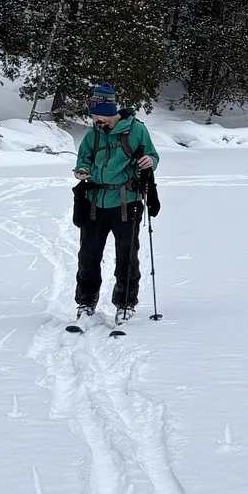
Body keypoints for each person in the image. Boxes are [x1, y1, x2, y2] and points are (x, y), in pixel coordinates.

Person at [71, 83, 158, 327]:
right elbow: (83, 158)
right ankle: (86, 303)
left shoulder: (137, 131)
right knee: (88, 256)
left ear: (110, 111)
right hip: (94, 202)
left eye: (97, 114)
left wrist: (149, 160)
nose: (95, 119)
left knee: (127, 256)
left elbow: (154, 157)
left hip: (126, 202)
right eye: (93, 114)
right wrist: (82, 170)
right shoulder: (93, 133)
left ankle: (126, 304)